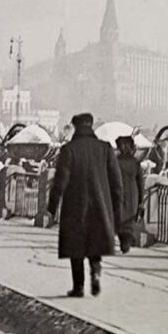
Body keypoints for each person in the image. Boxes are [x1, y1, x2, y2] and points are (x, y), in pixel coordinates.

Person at [47, 113, 122, 297]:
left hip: (75, 205)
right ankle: (95, 272)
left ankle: (78, 286)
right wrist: (116, 207)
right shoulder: (105, 149)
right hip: (100, 205)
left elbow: (60, 181)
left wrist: (52, 207)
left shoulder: (69, 149)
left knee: (76, 246)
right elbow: (116, 182)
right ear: (91, 125)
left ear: (75, 127)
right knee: (95, 241)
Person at [115, 135, 145, 254]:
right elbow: (141, 183)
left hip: (118, 194)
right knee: (129, 220)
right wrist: (141, 201)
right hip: (133, 195)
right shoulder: (135, 163)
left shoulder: (115, 161)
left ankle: (123, 241)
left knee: (120, 219)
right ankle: (127, 241)